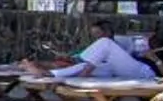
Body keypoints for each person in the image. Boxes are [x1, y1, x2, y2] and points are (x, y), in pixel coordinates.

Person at [22, 21, 155, 83]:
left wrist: (153, 56)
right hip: (114, 71)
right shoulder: (99, 46)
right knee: (84, 65)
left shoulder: (124, 41)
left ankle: (83, 75)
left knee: (105, 43)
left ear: (108, 32)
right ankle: (49, 74)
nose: (95, 38)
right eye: (93, 34)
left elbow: (135, 56)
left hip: (142, 72)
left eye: (98, 33)